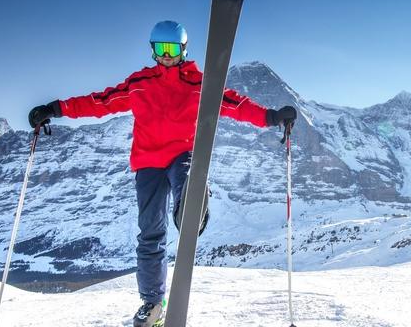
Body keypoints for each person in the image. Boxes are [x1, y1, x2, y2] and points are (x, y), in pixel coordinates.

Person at [28, 20, 297, 327]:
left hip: (183, 154)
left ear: (183, 50)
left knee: (186, 177)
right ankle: (153, 303)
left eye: (171, 49)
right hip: (147, 163)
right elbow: (99, 102)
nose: (166, 55)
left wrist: (271, 117)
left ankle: (192, 207)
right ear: (152, 50)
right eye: (160, 49)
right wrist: (56, 108)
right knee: (150, 234)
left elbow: (234, 104)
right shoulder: (140, 83)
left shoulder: (199, 82)